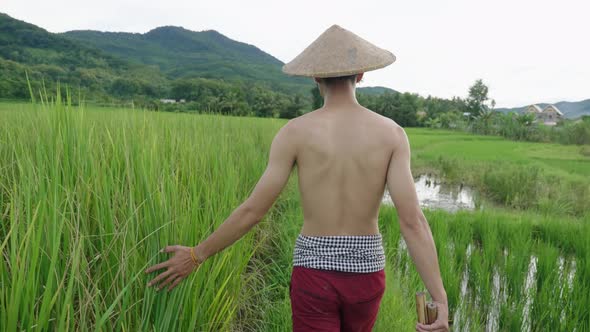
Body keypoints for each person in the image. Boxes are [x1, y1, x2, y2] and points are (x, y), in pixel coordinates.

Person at [145, 24, 448, 332]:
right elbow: (412, 221)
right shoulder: (392, 134)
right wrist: (441, 300)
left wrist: (197, 255)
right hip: (366, 273)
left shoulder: (294, 132)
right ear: (360, 75)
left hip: (313, 274)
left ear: (314, 76)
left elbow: (254, 209)